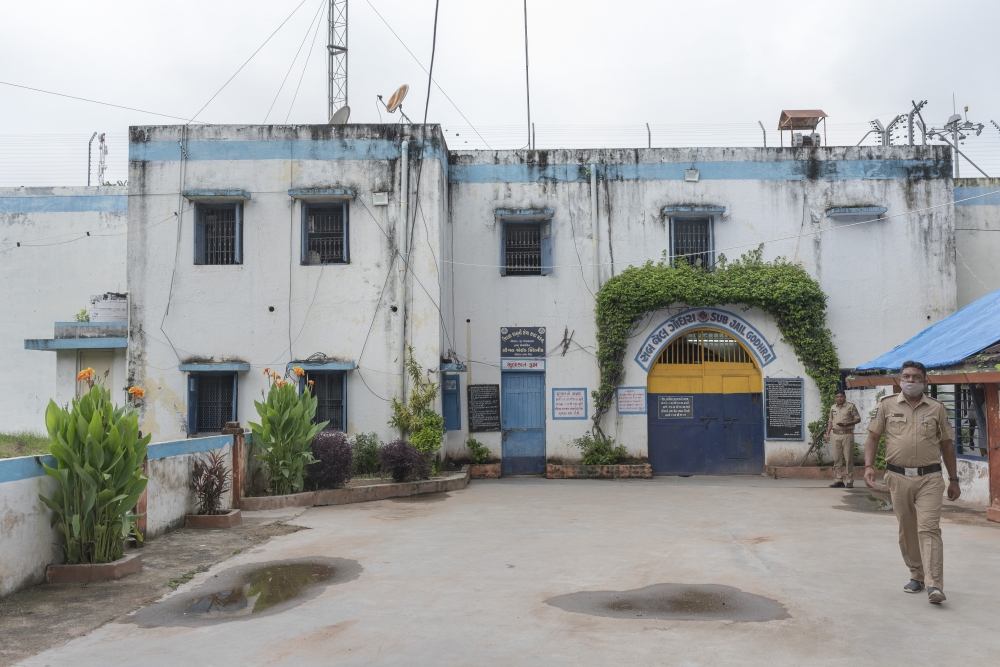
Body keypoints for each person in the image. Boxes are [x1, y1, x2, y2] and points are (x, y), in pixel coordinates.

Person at [863, 360, 961, 604]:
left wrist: (954, 479)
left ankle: (934, 584)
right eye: (906, 376)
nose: (911, 381)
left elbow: (947, 445)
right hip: (897, 478)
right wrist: (868, 467)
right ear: (900, 379)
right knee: (907, 529)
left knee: (929, 528)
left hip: (930, 478)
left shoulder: (937, 408)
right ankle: (916, 574)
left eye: (917, 377)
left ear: (925, 381)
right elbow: (873, 438)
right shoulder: (886, 405)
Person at [826, 389, 861, 488]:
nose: (839, 398)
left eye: (841, 396)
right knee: (837, 459)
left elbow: (858, 419)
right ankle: (838, 480)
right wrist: (827, 433)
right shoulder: (833, 407)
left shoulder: (851, 406)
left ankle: (849, 480)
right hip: (836, 435)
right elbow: (830, 421)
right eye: (837, 397)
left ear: (844, 397)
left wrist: (847, 423)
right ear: (835, 398)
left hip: (847, 435)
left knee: (848, 459)